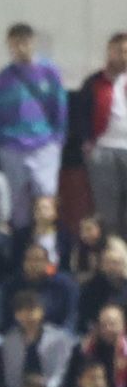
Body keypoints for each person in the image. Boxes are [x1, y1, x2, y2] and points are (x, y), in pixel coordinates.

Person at [0, 23, 67, 221]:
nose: (19, 48)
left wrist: (56, 140)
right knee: (16, 204)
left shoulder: (50, 73)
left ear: (32, 42)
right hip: (12, 147)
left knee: (46, 200)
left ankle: (47, 247)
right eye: (14, 44)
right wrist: (0, 141)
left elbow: (60, 107)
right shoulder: (3, 77)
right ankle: (20, 247)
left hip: (44, 145)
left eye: (23, 43)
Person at [69, 31, 127, 239]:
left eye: (125, 51)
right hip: (103, 150)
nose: (122, 55)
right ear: (109, 53)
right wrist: (87, 143)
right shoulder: (94, 82)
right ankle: (112, 252)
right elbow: (81, 114)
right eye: (118, 51)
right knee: (107, 209)